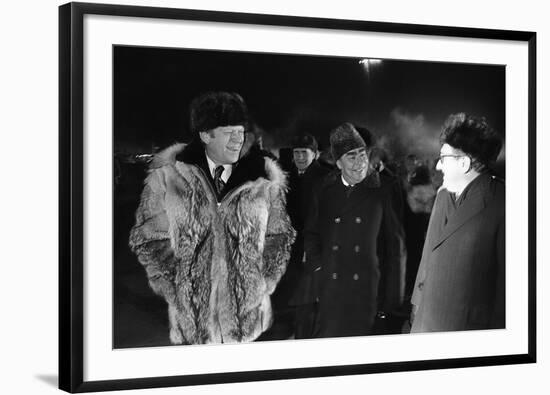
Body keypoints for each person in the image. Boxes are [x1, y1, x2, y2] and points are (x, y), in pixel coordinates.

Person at [129, 91, 296, 344]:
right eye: (229, 133)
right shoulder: (167, 179)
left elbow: (279, 234)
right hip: (193, 326)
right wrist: (178, 286)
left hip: (250, 325)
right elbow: (148, 239)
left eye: (241, 132)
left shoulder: (263, 180)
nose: (237, 141)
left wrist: (262, 281)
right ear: (206, 134)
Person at [305, 123, 406, 338]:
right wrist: (318, 269)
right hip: (331, 291)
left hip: (368, 294)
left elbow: (396, 248)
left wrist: (392, 302)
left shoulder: (384, 189)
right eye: (352, 157)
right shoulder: (323, 188)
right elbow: (312, 233)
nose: (360, 162)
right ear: (338, 162)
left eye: (363, 154)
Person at [410, 113, 505, 333]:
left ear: (463, 163)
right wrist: (416, 304)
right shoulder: (443, 194)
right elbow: (428, 254)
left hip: (463, 330)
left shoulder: (503, 201)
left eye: (443, 158)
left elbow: (506, 289)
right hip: (426, 321)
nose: (437, 167)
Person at [276, 134, 331, 339]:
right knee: (294, 290)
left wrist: (314, 247)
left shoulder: (325, 176)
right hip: (291, 243)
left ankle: (307, 335)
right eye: (296, 152)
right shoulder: (287, 175)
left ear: (315, 154)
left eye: (304, 153)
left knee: (310, 294)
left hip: (312, 245)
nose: (299, 157)